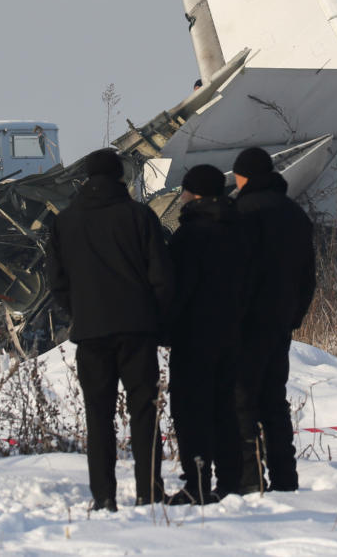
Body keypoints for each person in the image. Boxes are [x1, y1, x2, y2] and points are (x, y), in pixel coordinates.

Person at [45, 148, 174, 511]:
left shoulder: (65, 221)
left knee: (98, 416)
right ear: (120, 176)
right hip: (136, 330)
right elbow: (161, 277)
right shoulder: (139, 216)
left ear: (86, 178)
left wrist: (81, 311)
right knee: (145, 411)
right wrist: (157, 320)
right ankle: (149, 491)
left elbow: (56, 282)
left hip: (91, 333)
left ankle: (103, 496)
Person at [231, 147, 316, 493]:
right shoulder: (296, 215)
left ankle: (251, 480)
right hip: (279, 323)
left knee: (242, 401)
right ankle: (286, 478)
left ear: (244, 176)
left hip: (245, 323)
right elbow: (307, 276)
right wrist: (293, 316)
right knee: (274, 403)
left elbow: (233, 274)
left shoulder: (240, 213)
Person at [164, 164, 247, 504]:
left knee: (191, 410)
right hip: (234, 333)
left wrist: (166, 327)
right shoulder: (241, 231)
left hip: (194, 335)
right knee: (225, 408)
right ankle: (231, 481)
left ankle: (196, 482)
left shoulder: (189, 236)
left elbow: (177, 289)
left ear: (193, 193)